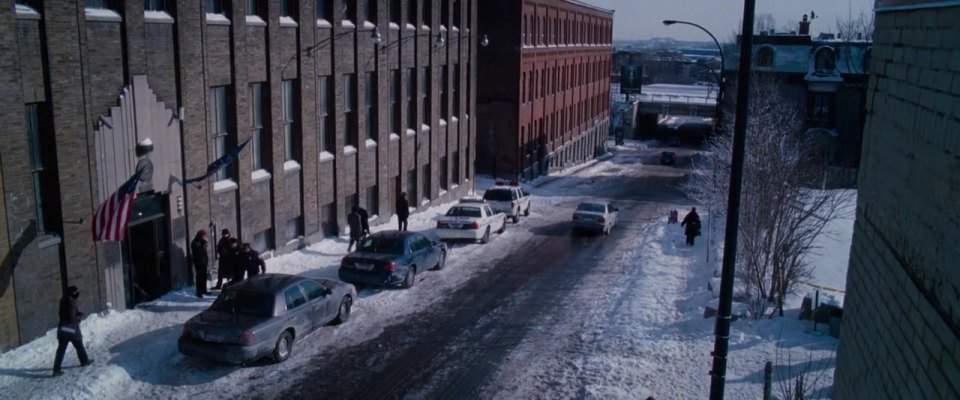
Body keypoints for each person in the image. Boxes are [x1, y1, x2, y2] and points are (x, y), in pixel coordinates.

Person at [52, 286, 92, 376]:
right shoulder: (71, 302)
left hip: (62, 328)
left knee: (61, 350)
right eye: (76, 292)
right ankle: (84, 361)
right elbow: (71, 318)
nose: (77, 294)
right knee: (79, 345)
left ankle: (56, 369)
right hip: (71, 329)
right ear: (73, 293)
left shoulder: (63, 300)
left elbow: (65, 314)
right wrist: (79, 317)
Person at [190, 230, 209, 298]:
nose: (204, 237)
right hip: (198, 262)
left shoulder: (202, 242)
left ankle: (204, 290)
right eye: (203, 236)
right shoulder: (195, 242)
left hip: (204, 262)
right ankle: (199, 292)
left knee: (204, 277)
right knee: (199, 277)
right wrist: (203, 245)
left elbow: (204, 252)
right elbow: (199, 252)